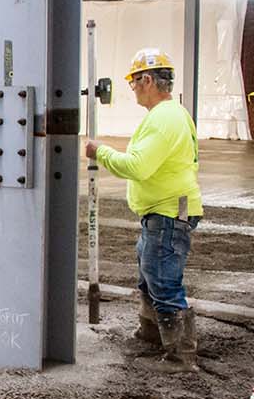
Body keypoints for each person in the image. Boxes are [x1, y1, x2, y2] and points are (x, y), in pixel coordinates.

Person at [84, 47, 202, 371]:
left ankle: (180, 355)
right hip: (160, 211)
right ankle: (151, 333)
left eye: (134, 82)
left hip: (167, 213)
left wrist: (100, 151)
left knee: (163, 280)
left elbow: (138, 166)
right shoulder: (169, 115)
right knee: (150, 275)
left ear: (147, 80)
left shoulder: (165, 118)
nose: (132, 88)